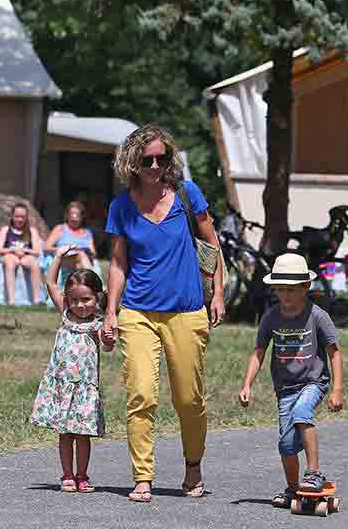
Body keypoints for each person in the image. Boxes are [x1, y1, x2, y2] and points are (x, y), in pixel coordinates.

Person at [101, 123, 224, 503]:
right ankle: (142, 476)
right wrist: (111, 311)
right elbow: (119, 262)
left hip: (187, 311)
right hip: (137, 312)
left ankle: (193, 466)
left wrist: (218, 293)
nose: (155, 165)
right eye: (147, 159)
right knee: (140, 394)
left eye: (162, 158)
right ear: (132, 163)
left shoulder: (188, 194)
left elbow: (211, 243)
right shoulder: (121, 206)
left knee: (189, 399)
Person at [237, 253, 344, 508]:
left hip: (313, 382)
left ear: (306, 287)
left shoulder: (317, 316)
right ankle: (294, 489)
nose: (285, 295)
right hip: (285, 388)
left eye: (291, 290)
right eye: (280, 290)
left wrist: (337, 389)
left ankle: (314, 473)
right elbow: (259, 352)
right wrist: (246, 384)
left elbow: (334, 353)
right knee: (286, 445)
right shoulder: (272, 316)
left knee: (302, 413)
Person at [30, 248, 113, 493]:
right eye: (75, 300)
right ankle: (67, 474)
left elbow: (107, 348)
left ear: (97, 298)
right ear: (67, 299)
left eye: (86, 300)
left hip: (85, 389)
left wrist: (109, 339)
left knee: (83, 435)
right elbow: (50, 282)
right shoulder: (65, 315)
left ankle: (82, 475)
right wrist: (58, 258)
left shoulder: (97, 324)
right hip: (62, 386)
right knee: (65, 434)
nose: (80, 305)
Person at [0, 203, 43, 305]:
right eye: (17, 216)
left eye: (22, 217)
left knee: (34, 263)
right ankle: (11, 300)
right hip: (9, 255)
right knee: (11, 261)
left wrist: (24, 251)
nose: (20, 220)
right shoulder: (5, 230)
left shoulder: (32, 231)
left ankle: (36, 299)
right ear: (12, 216)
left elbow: (37, 251)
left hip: (26, 256)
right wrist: (13, 250)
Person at [44, 201, 97, 272]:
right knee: (80, 255)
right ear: (67, 215)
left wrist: (88, 252)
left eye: (77, 214)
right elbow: (46, 248)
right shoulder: (60, 228)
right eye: (72, 214)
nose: (74, 217)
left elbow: (93, 253)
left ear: (82, 217)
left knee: (80, 262)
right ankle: (90, 280)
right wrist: (66, 248)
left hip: (82, 261)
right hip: (64, 259)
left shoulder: (87, 233)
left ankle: (84, 280)